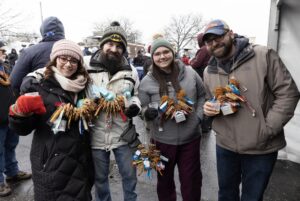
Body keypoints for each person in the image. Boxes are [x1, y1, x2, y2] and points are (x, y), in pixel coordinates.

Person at [202, 19, 300, 201]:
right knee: (226, 194)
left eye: (218, 36)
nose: (214, 43)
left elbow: (288, 94)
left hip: (261, 148)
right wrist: (208, 108)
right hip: (226, 146)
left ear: (231, 33)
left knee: (252, 197)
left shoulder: (263, 55)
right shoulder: (209, 71)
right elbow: (211, 99)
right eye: (209, 41)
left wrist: (267, 129)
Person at [8, 40, 94, 201]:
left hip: (81, 164)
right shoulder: (39, 85)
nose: (68, 64)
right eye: (63, 58)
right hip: (52, 166)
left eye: (73, 60)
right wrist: (19, 113)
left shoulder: (84, 86)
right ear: (54, 59)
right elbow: (22, 129)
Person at [138, 38, 206, 201]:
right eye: (157, 54)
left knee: (191, 181)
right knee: (164, 182)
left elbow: (203, 95)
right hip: (162, 140)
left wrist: (198, 118)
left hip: (190, 139)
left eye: (166, 52)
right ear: (152, 57)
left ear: (172, 53)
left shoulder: (190, 73)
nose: (162, 56)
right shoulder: (147, 81)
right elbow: (142, 107)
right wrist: (147, 113)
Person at [85, 21, 141, 201]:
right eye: (109, 44)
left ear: (123, 49)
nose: (114, 49)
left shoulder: (130, 71)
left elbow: (136, 95)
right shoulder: (86, 65)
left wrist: (135, 106)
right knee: (100, 179)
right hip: (96, 134)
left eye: (119, 46)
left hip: (122, 134)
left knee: (130, 177)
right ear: (102, 45)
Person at [0, 41, 32, 197]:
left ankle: (12, 172)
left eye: (2, 51)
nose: (3, 53)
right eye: (0, 51)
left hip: (9, 116)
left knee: (11, 145)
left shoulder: (5, 67)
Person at [10, 16, 65, 95]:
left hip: (38, 102)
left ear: (43, 31)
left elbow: (14, 83)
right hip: (72, 103)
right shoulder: (74, 51)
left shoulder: (29, 52)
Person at [190, 33, 212, 133]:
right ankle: (207, 125)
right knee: (208, 99)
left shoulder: (203, 49)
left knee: (203, 99)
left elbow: (196, 63)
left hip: (201, 75)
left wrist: (191, 61)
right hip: (208, 75)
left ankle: (204, 125)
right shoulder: (209, 48)